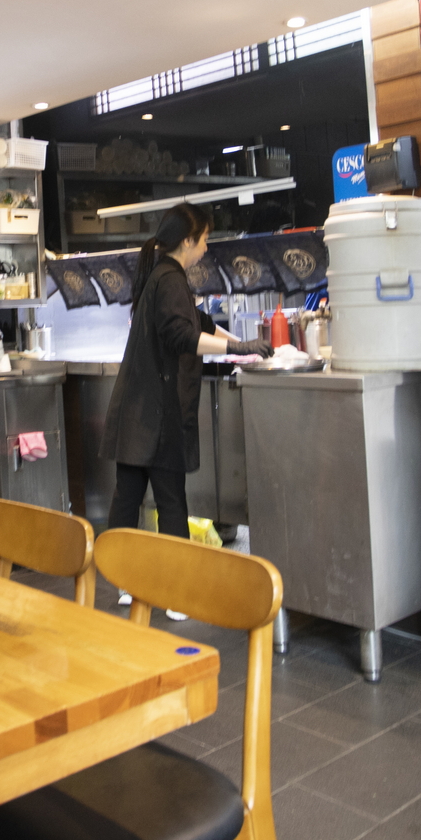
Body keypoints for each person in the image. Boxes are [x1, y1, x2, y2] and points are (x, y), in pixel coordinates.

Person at [100, 203, 272, 618]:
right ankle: (177, 594)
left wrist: (240, 347)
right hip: (157, 414)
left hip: (136, 410)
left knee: (128, 499)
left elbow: (198, 323)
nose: (207, 247)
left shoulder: (159, 275)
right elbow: (183, 336)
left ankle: (125, 581)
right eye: (205, 239)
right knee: (170, 502)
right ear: (188, 240)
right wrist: (237, 347)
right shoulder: (171, 278)